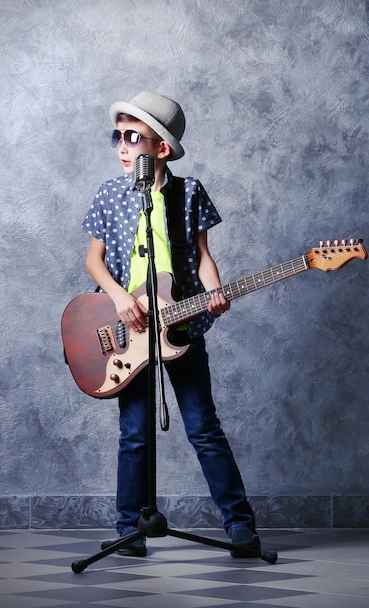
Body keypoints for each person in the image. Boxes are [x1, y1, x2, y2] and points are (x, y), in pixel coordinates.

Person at [82, 91, 260, 557]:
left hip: (181, 326)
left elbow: (202, 257)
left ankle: (239, 524)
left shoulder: (189, 192)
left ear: (161, 147)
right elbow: (95, 262)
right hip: (129, 333)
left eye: (132, 137)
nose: (121, 146)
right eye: (116, 136)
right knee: (134, 435)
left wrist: (215, 291)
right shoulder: (109, 194)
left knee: (203, 427)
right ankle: (130, 528)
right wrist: (119, 298)